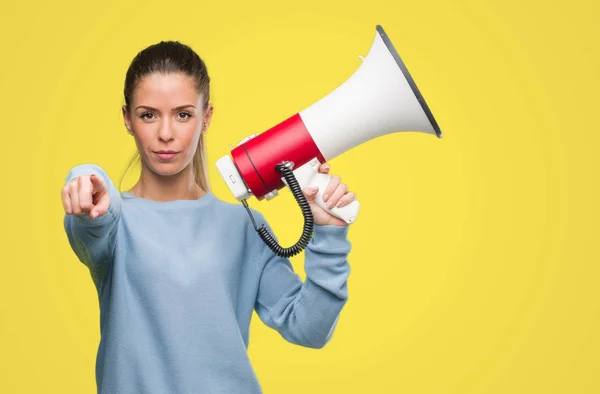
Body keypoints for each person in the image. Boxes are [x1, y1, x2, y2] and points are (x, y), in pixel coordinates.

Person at [62, 41, 356, 394]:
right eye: (148, 115)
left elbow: (309, 329)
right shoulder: (113, 221)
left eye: (183, 114)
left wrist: (328, 235)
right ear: (127, 119)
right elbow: (91, 224)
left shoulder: (246, 228)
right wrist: (85, 176)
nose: (166, 133)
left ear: (207, 117)